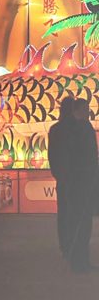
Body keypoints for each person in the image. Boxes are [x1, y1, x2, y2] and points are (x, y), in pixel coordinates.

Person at [62, 98, 98, 272]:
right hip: (83, 183)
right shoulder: (82, 128)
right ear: (77, 110)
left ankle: (78, 260)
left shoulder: (71, 129)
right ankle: (79, 262)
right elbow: (88, 156)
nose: (88, 112)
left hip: (77, 182)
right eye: (85, 109)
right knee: (82, 224)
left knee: (79, 223)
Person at [47, 96, 74, 257]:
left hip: (63, 178)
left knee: (63, 213)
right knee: (75, 212)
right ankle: (74, 244)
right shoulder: (77, 128)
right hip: (76, 178)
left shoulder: (55, 129)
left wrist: (57, 174)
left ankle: (64, 245)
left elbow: (52, 155)